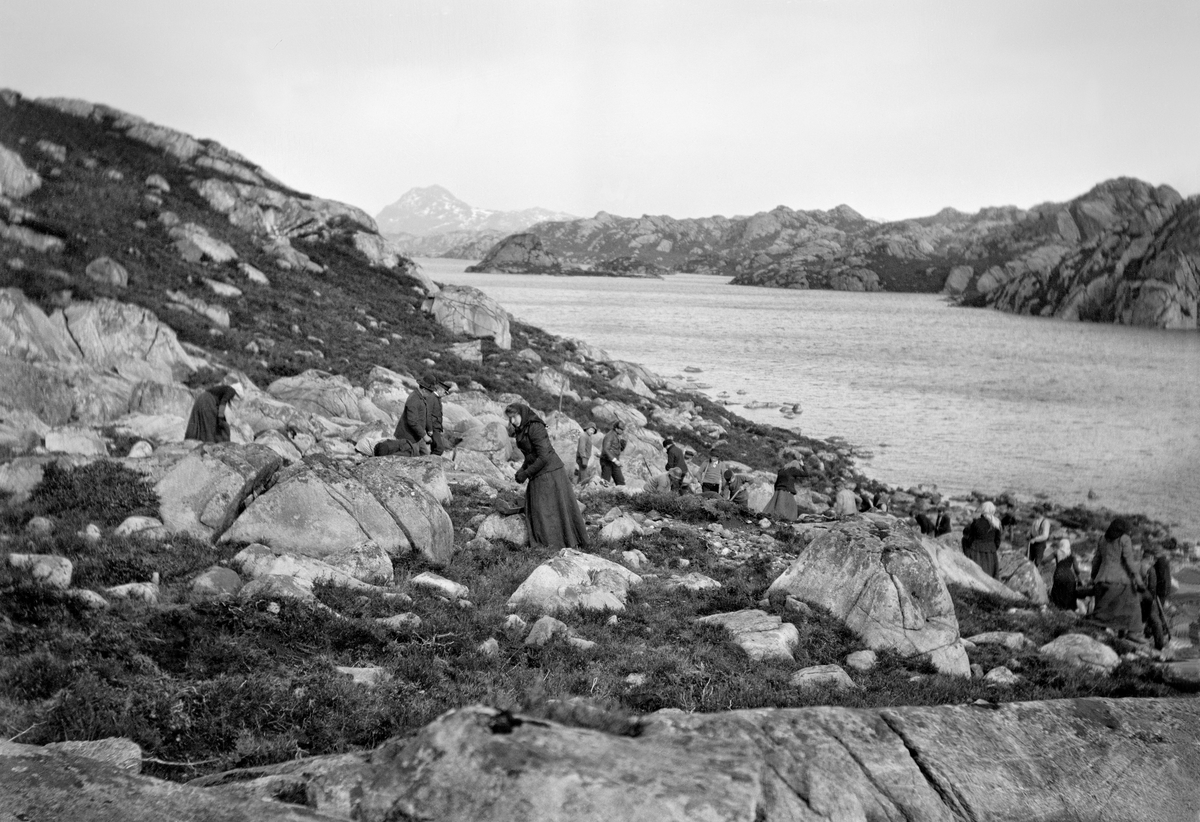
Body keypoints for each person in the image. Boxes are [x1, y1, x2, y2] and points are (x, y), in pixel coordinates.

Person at [505, 403, 588, 550]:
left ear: (522, 414)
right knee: (539, 508)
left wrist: (526, 473)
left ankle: (554, 544)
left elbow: (544, 456)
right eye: (509, 418)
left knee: (546, 509)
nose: (512, 422)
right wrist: (522, 469)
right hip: (540, 472)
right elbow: (531, 455)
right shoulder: (522, 429)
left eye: (514, 417)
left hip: (551, 472)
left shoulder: (536, 427)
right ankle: (549, 544)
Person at [1089, 517, 1144, 641]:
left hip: (1100, 581)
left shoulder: (1102, 539)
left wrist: (1094, 577)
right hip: (1119, 581)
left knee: (1100, 610)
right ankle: (1131, 633)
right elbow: (1129, 562)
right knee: (1133, 604)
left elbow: (1096, 560)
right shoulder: (1124, 539)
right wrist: (1139, 582)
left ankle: (1098, 634)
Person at [961, 501, 1002, 579]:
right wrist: (992, 549)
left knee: (964, 540)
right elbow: (998, 541)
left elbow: (966, 533)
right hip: (991, 553)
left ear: (983, 510)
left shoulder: (977, 522)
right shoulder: (996, 523)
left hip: (976, 552)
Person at [396, 379, 437, 455]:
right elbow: (412, 421)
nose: (431, 394)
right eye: (430, 391)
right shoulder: (414, 399)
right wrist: (425, 436)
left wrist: (428, 430)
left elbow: (423, 415)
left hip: (418, 436)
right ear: (424, 389)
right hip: (408, 437)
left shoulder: (421, 397)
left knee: (426, 456)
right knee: (413, 460)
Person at [1139, 550, 1169, 650]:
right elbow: (1152, 586)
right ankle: (1159, 644)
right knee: (1155, 620)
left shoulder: (1135, 566)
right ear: (1150, 558)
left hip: (1134, 597)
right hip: (1148, 597)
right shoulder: (1150, 569)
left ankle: (1123, 635)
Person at [1049, 538, 1083, 611]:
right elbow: (1076, 569)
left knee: (1057, 595)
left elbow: (1044, 561)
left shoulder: (1056, 552)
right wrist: (1079, 580)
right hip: (1069, 577)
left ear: (1060, 544)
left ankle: (1057, 611)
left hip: (1058, 575)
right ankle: (1069, 612)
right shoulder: (1072, 554)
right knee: (1069, 596)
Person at [427, 381, 453, 456]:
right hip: (433, 427)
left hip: (436, 427)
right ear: (440, 390)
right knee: (439, 449)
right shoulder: (432, 397)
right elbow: (428, 414)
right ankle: (430, 464)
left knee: (435, 448)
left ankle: (429, 464)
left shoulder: (437, 398)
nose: (445, 395)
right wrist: (430, 429)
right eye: (445, 392)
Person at [600, 421, 627, 485]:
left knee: (621, 482)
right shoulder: (610, 436)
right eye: (621, 429)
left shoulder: (616, 435)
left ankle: (620, 494)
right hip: (607, 462)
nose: (622, 431)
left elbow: (615, 449)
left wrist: (621, 446)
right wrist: (615, 460)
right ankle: (601, 494)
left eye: (623, 429)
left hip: (613, 462)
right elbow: (606, 449)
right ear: (616, 428)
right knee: (605, 483)